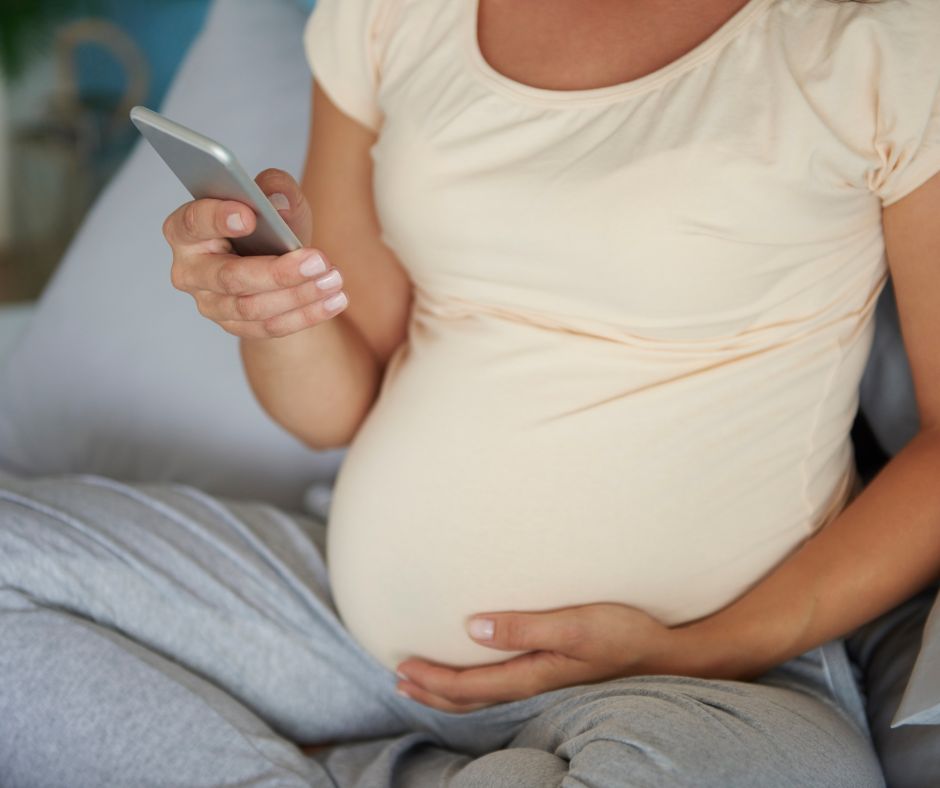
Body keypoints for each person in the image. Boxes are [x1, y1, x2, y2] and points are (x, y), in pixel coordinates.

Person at [2, 0, 939, 785]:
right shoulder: (394, 12)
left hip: (706, 681)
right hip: (351, 638)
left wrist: (700, 649)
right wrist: (275, 312)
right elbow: (337, 402)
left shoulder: (876, 38)